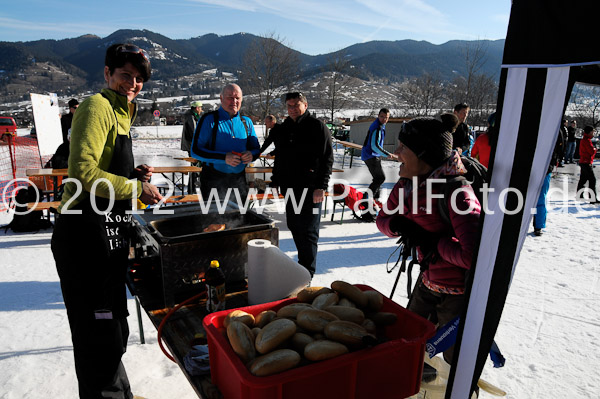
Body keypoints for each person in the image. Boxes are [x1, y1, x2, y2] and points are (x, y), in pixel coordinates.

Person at [51, 43, 162, 399]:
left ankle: (119, 394)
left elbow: (103, 167)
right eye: (125, 75)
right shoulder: (96, 107)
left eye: (138, 78)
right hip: (83, 234)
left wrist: (132, 173)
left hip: (106, 232)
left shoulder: (121, 112)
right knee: (97, 332)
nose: (132, 83)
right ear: (107, 74)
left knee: (113, 328)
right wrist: (134, 187)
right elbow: (82, 171)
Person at [376, 114, 481, 364]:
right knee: (410, 340)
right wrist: (398, 225)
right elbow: (382, 219)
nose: (397, 152)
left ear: (424, 154)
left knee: (454, 358)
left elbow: (475, 256)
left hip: (458, 295)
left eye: (404, 147)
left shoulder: (457, 192)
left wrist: (435, 243)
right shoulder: (406, 185)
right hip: (427, 281)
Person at [271, 92, 334, 277]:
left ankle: (308, 272)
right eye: (289, 106)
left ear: (305, 105)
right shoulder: (285, 128)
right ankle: (302, 265)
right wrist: (275, 181)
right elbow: (280, 158)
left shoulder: (317, 127)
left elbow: (327, 159)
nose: (292, 109)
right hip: (290, 187)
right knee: (294, 225)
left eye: (296, 105)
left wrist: (321, 186)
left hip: (312, 188)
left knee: (308, 230)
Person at [190, 83, 260, 200]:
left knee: (239, 217)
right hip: (213, 179)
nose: (234, 101)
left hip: (239, 180)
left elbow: (256, 149)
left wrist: (251, 155)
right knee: (214, 218)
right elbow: (195, 151)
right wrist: (224, 158)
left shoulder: (246, 122)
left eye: (237, 98)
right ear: (221, 98)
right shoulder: (208, 120)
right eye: (230, 97)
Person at [533, 123, 564, 236]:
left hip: (538, 167)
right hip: (546, 167)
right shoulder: (555, 127)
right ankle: (538, 226)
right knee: (540, 198)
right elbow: (560, 149)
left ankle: (535, 225)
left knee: (527, 197)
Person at [361, 108, 393, 202]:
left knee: (378, 178)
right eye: (382, 117)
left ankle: (375, 199)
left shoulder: (380, 126)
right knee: (380, 178)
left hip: (371, 155)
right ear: (378, 116)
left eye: (386, 117)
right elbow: (374, 145)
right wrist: (386, 154)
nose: (384, 119)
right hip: (371, 155)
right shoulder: (377, 127)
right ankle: (366, 198)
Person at [576, 125, 599, 203]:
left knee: (583, 179)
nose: (593, 133)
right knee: (592, 180)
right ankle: (592, 198)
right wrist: (595, 149)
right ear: (589, 132)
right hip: (586, 162)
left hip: (583, 161)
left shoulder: (585, 139)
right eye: (592, 132)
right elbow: (591, 151)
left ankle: (579, 195)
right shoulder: (587, 140)